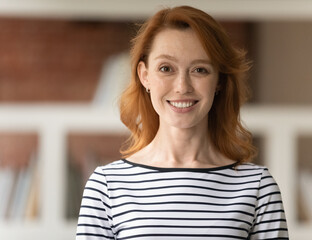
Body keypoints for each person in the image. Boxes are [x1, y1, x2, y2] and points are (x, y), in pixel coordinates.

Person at [76, 5, 289, 240]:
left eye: (199, 70)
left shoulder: (258, 187)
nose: (182, 87)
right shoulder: (106, 186)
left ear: (219, 80)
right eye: (166, 68)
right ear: (144, 76)